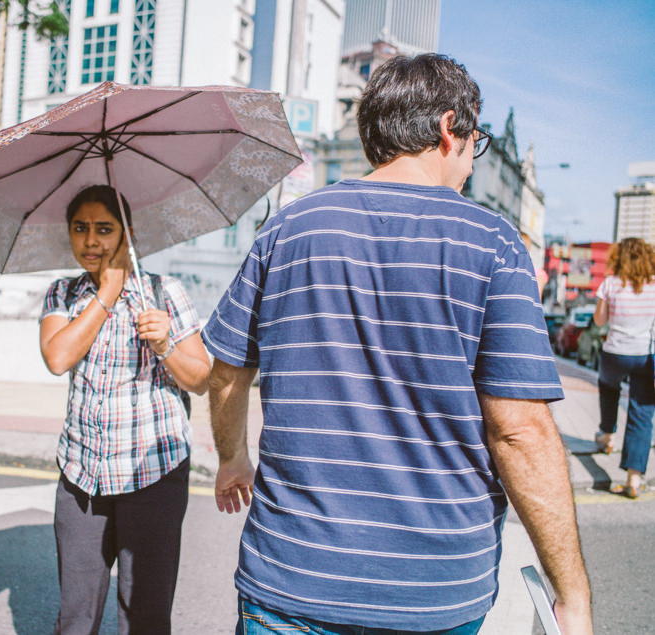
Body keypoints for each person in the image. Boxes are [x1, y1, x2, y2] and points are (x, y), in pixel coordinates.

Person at [204, 54, 592, 635]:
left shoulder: (288, 227)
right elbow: (519, 430)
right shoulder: (492, 243)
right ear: (448, 127)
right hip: (431, 591)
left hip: (291, 574)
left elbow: (227, 370)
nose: (470, 159)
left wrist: (233, 457)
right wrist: (572, 592)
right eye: (474, 142)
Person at [39, 184, 210, 634]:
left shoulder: (163, 292)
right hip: (82, 474)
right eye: (80, 229)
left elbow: (201, 378)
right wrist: (107, 294)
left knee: (146, 615)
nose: (91, 241)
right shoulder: (62, 295)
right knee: (76, 615)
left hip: (152, 470)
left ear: (127, 234)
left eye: (104, 229)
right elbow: (58, 358)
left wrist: (166, 343)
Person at [592, 237, 655, 499]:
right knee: (642, 412)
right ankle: (634, 479)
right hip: (645, 355)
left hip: (615, 354)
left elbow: (599, 320)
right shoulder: (653, 286)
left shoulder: (610, 284)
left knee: (608, 388)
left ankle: (607, 435)